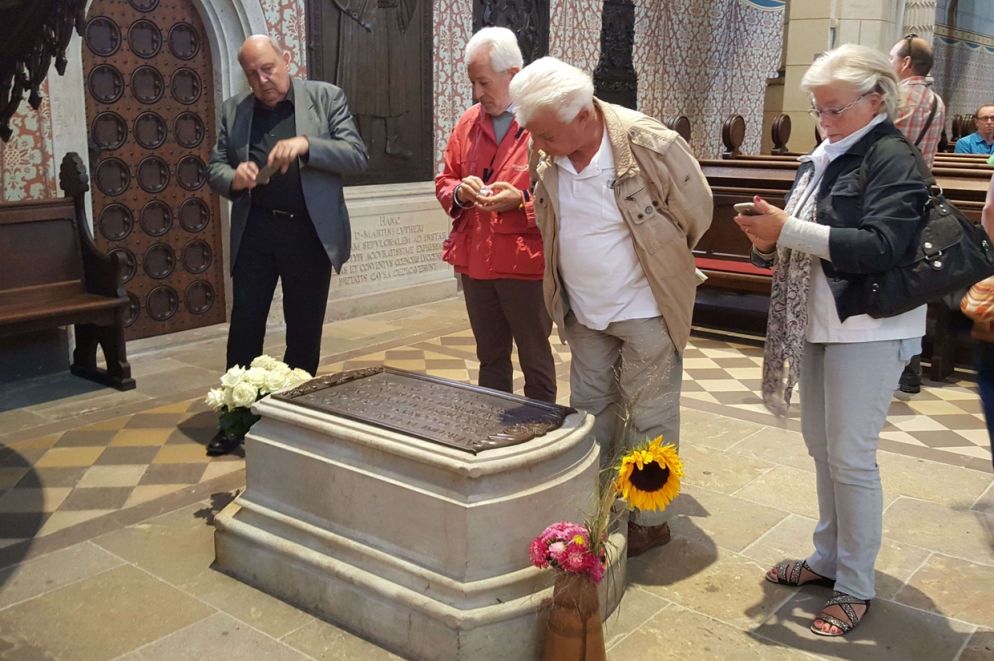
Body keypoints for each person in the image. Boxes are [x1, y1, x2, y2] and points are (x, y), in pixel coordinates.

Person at [733, 44, 930, 636]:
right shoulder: (825, 153)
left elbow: (881, 246)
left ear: (877, 99)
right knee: (823, 449)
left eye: (834, 109)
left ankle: (855, 583)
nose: (823, 121)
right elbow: (803, 238)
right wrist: (768, 242)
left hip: (869, 326)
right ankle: (826, 557)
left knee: (850, 457)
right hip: (817, 321)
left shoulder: (895, 157)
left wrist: (786, 229)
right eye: (817, 109)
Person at [508, 57, 713, 556]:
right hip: (583, 310)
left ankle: (649, 518)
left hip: (645, 306)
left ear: (583, 116)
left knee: (650, 417)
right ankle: (598, 502)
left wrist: (659, 267)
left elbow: (698, 211)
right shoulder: (548, 150)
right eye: (533, 135)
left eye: (547, 135)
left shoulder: (647, 144)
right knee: (590, 410)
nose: (538, 146)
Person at [206, 35, 368, 455]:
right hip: (256, 232)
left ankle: (296, 420)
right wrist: (233, 178)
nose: (262, 80)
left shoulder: (325, 98)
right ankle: (235, 420)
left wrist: (308, 145)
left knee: (304, 331)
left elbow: (357, 155)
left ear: (287, 59)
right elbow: (214, 168)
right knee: (244, 328)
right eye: (252, 74)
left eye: (268, 69)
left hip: (308, 234)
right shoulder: (234, 111)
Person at [435, 27, 556, 403]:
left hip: (524, 265)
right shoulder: (468, 122)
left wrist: (520, 201)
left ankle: (540, 439)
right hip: (475, 262)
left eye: (484, 82)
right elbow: (445, 177)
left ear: (513, 76)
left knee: (535, 361)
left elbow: (565, 193)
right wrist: (459, 192)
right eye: (473, 82)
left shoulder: (546, 122)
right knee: (489, 358)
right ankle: (490, 433)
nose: (477, 93)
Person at [888, 34, 947, 393]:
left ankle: (898, 365)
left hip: (888, 195)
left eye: (892, 56)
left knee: (890, 278)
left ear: (906, 62)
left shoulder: (897, 96)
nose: (889, 62)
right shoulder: (937, 101)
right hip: (919, 197)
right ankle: (911, 365)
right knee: (913, 282)